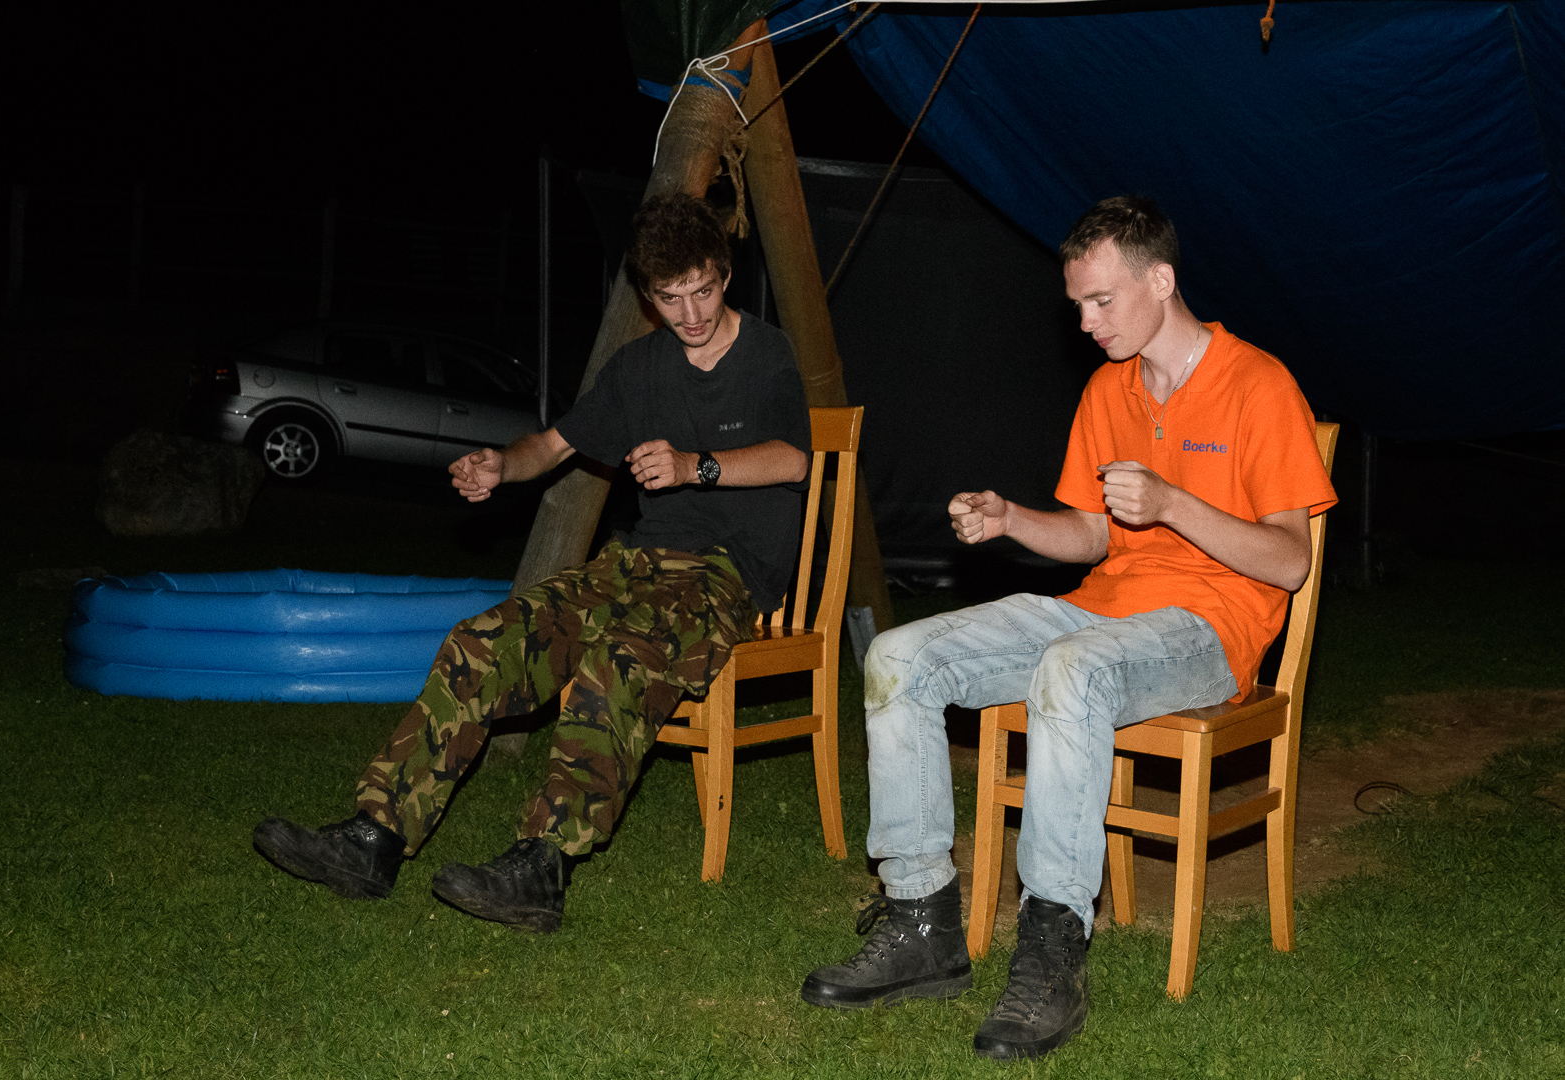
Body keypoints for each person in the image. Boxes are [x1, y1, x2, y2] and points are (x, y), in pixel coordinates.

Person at [800, 195, 1337, 1060]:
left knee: (1071, 669)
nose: (1085, 322)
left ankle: (1052, 951)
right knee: (901, 657)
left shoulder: (1258, 384)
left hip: (1208, 628)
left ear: (1160, 281)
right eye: (1078, 304)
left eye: (1101, 300)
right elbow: (1090, 535)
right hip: (1100, 611)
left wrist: (1173, 504)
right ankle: (920, 920)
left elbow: (1289, 562)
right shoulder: (1107, 390)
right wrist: (1010, 518)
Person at [253, 192, 811, 932]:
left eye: (702, 291)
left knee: (618, 662)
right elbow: (551, 445)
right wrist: (501, 465)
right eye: (670, 298)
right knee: (481, 643)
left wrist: (693, 466)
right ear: (648, 297)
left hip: (723, 577)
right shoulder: (638, 368)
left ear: (724, 273)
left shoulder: (766, 354)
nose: (691, 313)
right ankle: (374, 839)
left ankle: (541, 869)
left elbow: (794, 458)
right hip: (632, 565)